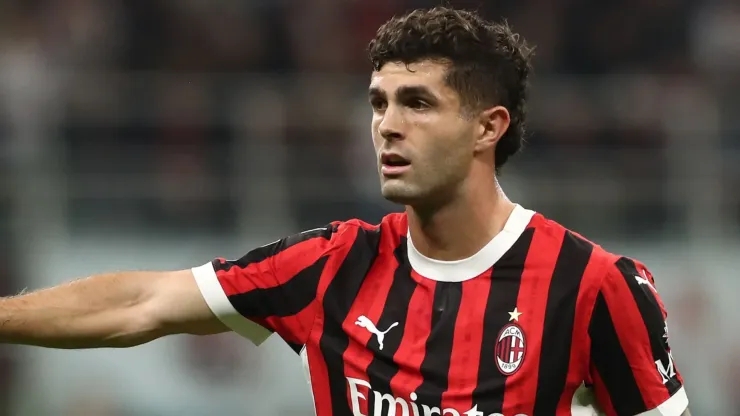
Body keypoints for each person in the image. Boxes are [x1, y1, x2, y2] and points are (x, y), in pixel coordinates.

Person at [0, 7, 690, 416]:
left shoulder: (596, 286)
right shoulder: (332, 265)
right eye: (378, 103)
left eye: (417, 103)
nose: (387, 125)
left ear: (489, 127)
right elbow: (142, 302)